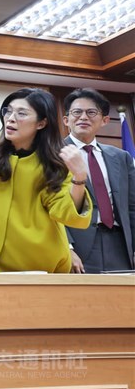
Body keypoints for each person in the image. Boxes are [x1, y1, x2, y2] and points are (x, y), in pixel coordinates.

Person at [0, 88, 92, 273]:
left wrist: (79, 177)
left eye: (21, 113)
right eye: (8, 111)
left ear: (41, 123)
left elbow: (67, 214)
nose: (11, 118)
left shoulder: (53, 163)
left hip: (37, 263)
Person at [63, 88, 134, 272]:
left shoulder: (121, 157)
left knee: (123, 299)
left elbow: (132, 207)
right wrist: (67, 248)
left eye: (91, 112)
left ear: (105, 120)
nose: (83, 117)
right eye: (77, 112)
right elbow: (47, 207)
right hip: (79, 245)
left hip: (121, 244)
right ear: (66, 120)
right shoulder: (52, 154)